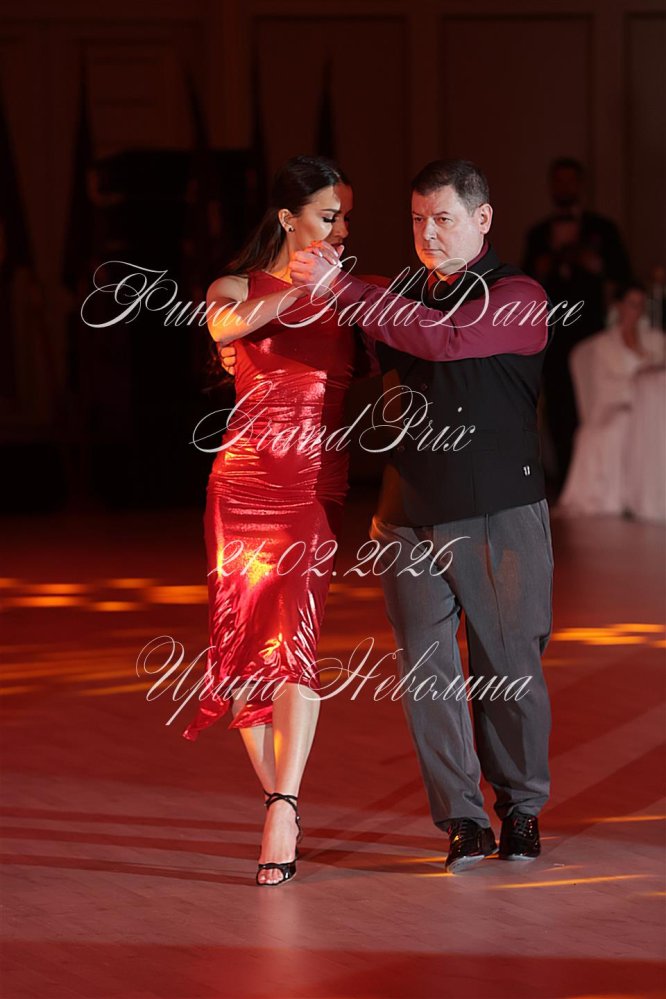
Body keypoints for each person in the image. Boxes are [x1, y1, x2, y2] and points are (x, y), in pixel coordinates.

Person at [290, 159, 555, 873]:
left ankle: (521, 808)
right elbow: (344, 356)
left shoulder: (520, 295)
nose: (428, 233)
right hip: (406, 511)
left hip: (498, 511)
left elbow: (447, 337)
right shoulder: (397, 293)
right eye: (417, 219)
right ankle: (463, 820)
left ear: (482, 218)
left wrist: (344, 289)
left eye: (442, 218)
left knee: (509, 667)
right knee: (427, 675)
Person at [181, 155, 364, 887]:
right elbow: (228, 324)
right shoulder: (235, 287)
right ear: (289, 218)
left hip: (313, 488)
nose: (342, 230)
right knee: (240, 652)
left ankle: (283, 805)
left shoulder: (349, 296)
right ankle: (279, 799)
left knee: (295, 644)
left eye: (346, 218)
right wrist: (298, 287)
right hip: (241, 483)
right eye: (329, 216)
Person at [522, 157, 634, 485]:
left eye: (570, 180)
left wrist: (594, 264)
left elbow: (624, 277)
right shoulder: (538, 234)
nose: (565, 187)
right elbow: (521, 284)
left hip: (591, 331)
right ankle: (565, 479)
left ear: (581, 185)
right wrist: (541, 268)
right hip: (552, 333)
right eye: (559, 181)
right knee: (557, 408)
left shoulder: (603, 229)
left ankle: (599, 479)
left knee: (593, 404)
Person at [557, 282, 666, 519]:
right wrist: (635, 384)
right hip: (617, 405)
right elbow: (602, 387)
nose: (636, 310)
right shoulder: (603, 345)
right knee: (621, 422)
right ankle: (625, 495)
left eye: (640, 305)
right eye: (631, 304)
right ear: (619, 306)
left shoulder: (655, 339)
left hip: (653, 407)